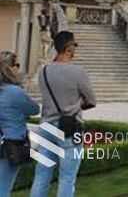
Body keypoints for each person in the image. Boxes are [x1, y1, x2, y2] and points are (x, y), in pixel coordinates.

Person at [32, 31, 97, 197]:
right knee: (67, 177)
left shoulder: (44, 71)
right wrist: (78, 102)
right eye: (74, 46)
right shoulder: (77, 72)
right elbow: (92, 100)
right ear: (69, 48)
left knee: (41, 174)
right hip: (70, 128)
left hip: (46, 125)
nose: (75, 49)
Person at [0, 51, 38, 194]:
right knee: (4, 187)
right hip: (11, 145)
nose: (18, 68)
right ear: (8, 68)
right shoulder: (15, 92)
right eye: (17, 65)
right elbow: (34, 109)